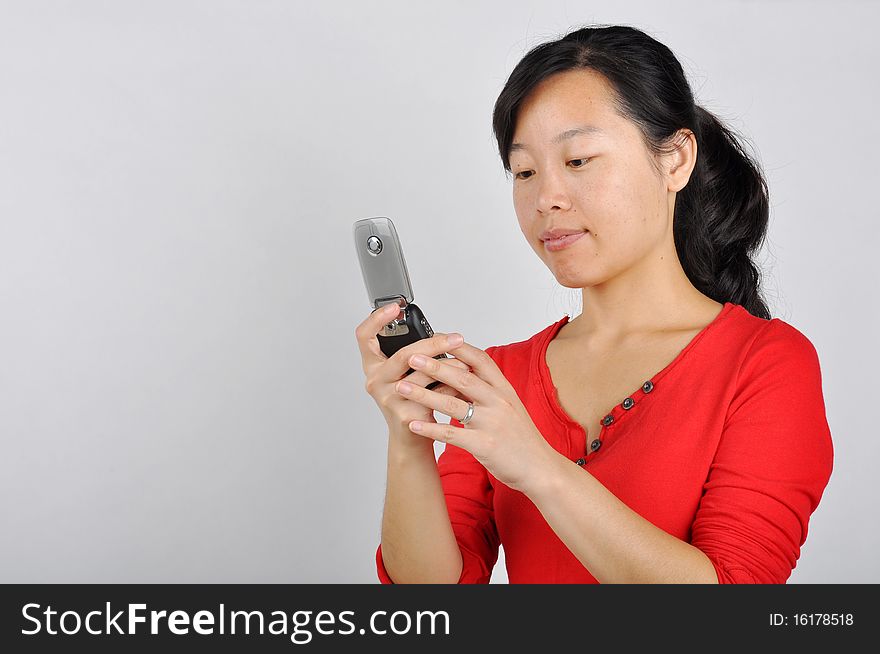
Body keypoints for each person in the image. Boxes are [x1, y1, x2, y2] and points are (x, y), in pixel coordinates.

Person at [354, 24, 833, 583]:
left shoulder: (766, 363)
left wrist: (538, 467)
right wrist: (409, 433)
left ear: (676, 160)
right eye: (525, 171)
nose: (546, 198)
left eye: (578, 160)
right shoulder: (500, 377)